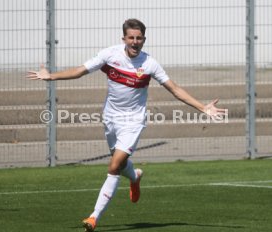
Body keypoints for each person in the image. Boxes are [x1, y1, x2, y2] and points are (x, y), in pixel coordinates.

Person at [27, 18, 227, 232]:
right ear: (123, 38)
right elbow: (80, 70)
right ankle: (135, 176)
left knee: (114, 166)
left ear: (144, 39)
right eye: (131, 37)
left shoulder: (150, 63)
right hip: (111, 118)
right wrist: (51, 76)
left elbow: (175, 89)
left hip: (133, 122)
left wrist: (202, 108)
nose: (134, 42)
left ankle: (94, 217)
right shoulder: (110, 55)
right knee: (121, 165)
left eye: (139, 38)